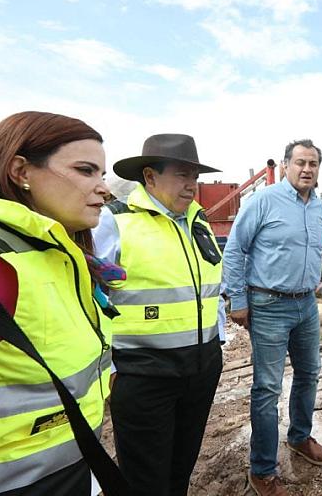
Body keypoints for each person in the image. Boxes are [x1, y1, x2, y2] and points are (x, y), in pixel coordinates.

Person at [0, 111, 113, 496]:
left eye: (102, 174)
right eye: (86, 171)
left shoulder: (57, 253)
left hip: (67, 469)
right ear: (21, 171)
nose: (104, 188)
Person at [92, 133, 225, 496]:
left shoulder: (198, 220)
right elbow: (89, 296)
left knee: (180, 469)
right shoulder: (113, 222)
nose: (192, 185)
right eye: (183, 175)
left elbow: (209, 286)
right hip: (143, 375)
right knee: (145, 480)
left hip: (201, 369)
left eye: (195, 177)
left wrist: (219, 341)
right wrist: (111, 370)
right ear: (150, 177)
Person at [223, 139, 322, 496]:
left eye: (313, 163)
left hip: (306, 305)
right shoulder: (264, 201)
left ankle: (299, 437)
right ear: (286, 165)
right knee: (267, 388)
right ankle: (263, 470)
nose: (306, 169)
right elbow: (235, 249)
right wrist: (238, 299)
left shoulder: (318, 207)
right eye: (300, 162)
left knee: (309, 373)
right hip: (268, 305)